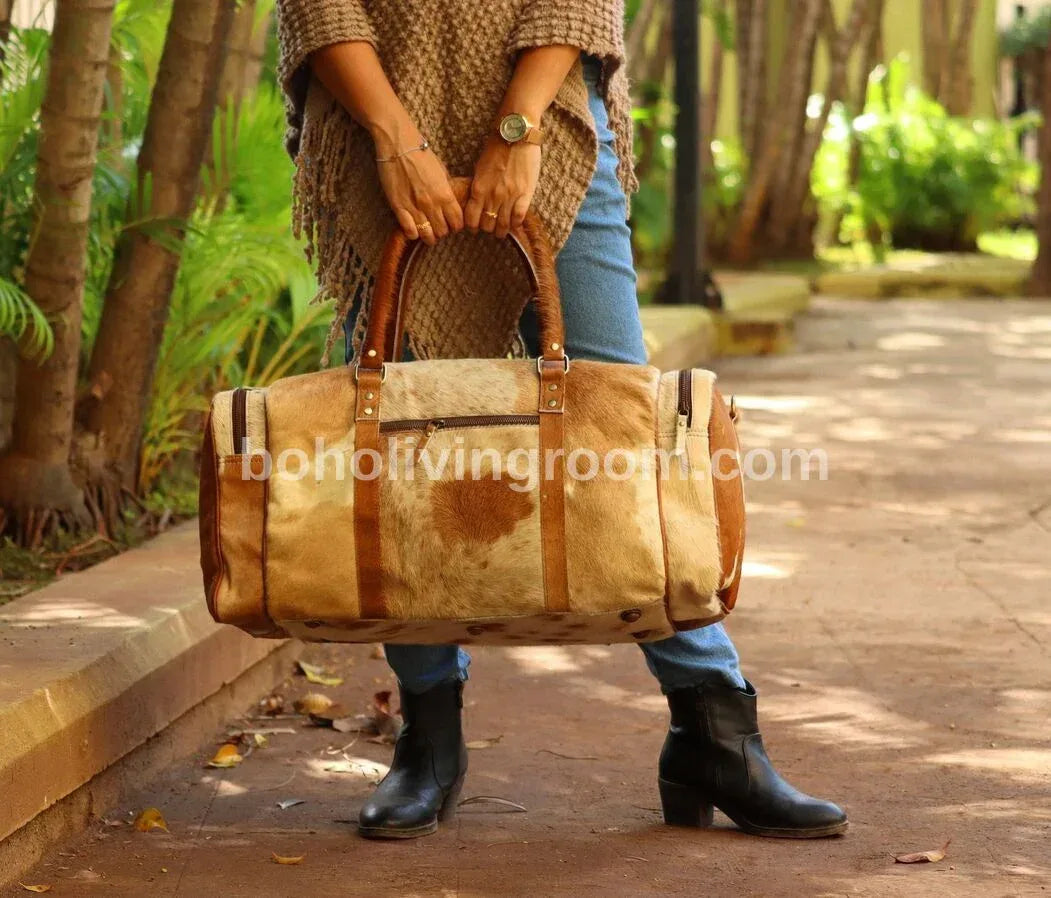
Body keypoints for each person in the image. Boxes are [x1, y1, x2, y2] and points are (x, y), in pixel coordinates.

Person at [275, 0, 847, 841]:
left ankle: (713, 734)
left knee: (622, 428)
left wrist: (518, 126)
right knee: (399, 440)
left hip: (554, 121)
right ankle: (426, 740)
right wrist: (395, 137)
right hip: (373, 125)